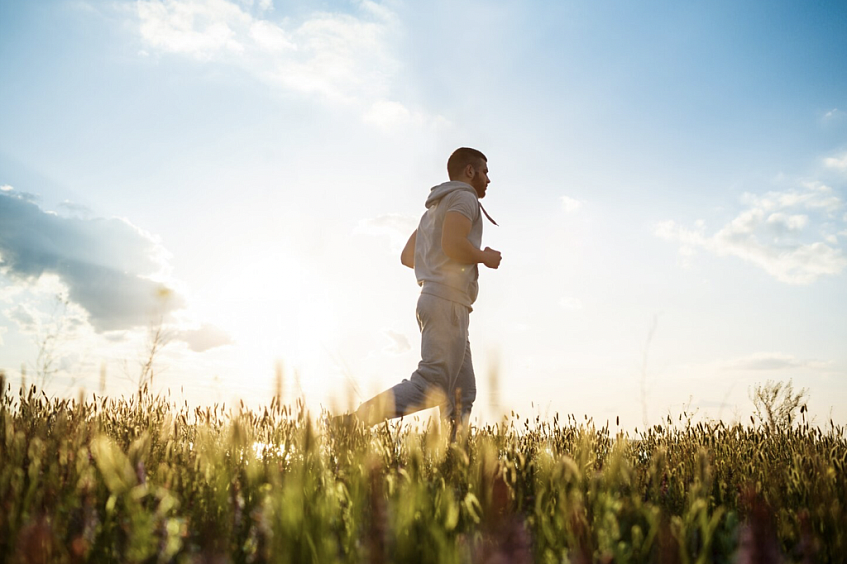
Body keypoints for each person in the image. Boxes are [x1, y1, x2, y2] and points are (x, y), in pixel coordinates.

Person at [352, 147, 502, 431]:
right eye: (484, 172)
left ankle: (454, 460)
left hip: (436, 299)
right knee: (432, 382)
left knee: (462, 393)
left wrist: (434, 271)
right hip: (447, 303)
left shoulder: (435, 208)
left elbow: (408, 256)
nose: (487, 179)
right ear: (469, 171)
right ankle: (353, 422)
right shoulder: (463, 197)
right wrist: (484, 257)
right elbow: (453, 244)